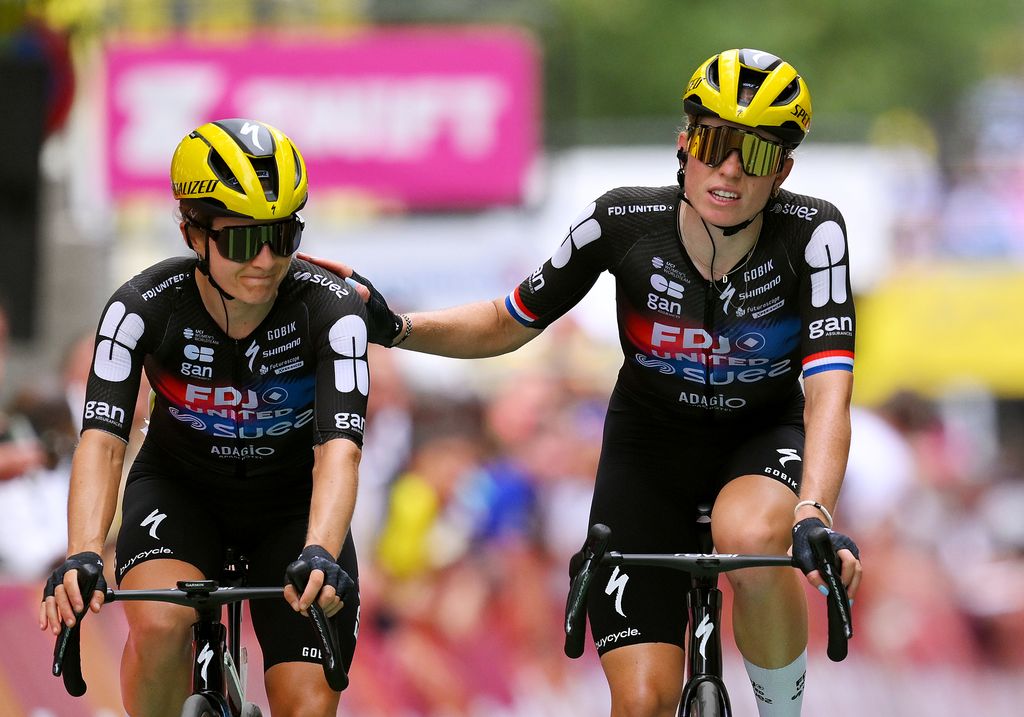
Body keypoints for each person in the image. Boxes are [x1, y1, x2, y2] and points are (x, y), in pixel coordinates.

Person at [312, 47, 863, 717]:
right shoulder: (620, 222)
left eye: (756, 153)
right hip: (647, 452)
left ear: (783, 171)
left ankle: (781, 711)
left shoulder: (812, 233)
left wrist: (814, 511)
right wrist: (398, 327)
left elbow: (830, 389)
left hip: (760, 441)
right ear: (684, 143)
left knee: (749, 537)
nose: (729, 169)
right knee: (640, 702)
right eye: (714, 143)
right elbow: (507, 320)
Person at [39, 119, 369, 717]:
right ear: (193, 233)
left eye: (282, 236)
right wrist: (83, 551)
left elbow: (338, 450)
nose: (266, 260)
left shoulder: (331, 307)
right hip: (180, 491)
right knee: (161, 625)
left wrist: (321, 549)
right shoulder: (142, 307)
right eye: (242, 241)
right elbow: (103, 440)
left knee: (307, 705)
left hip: (292, 506)